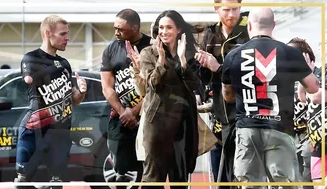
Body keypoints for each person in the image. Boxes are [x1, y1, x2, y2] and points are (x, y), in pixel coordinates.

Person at [220, 7, 319, 187]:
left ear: (249, 25)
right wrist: (305, 69)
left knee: (250, 184)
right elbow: (313, 87)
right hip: (280, 129)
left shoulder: (233, 55)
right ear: (273, 25)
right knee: (284, 184)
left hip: (247, 129)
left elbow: (227, 96)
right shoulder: (289, 53)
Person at [14, 15, 87, 189]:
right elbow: (29, 79)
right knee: (22, 182)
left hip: (60, 133)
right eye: (63, 34)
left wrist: (81, 92)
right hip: (35, 130)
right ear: (48, 34)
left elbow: (72, 100)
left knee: (56, 183)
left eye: (67, 34)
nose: (67, 38)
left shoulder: (64, 64)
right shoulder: (31, 58)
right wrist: (31, 78)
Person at [138, 10, 201, 188]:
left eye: (169, 27)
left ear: (179, 29)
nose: (164, 31)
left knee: (179, 180)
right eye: (161, 27)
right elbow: (153, 84)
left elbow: (195, 86)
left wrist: (182, 61)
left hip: (183, 126)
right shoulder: (148, 53)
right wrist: (162, 61)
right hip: (157, 126)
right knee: (153, 180)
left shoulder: (189, 53)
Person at [194, 0, 250, 185]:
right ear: (216, 9)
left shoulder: (249, 27)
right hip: (220, 114)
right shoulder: (211, 34)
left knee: (243, 175)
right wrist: (201, 65)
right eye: (226, 10)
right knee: (221, 176)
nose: (232, 14)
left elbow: (253, 71)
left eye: (235, 9)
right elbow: (204, 78)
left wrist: (218, 67)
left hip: (246, 112)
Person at [100, 8, 151, 185]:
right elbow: (107, 87)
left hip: (149, 115)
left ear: (135, 28)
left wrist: (136, 111)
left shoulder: (151, 46)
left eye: (120, 29)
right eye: (115, 28)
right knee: (122, 167)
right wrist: (124, 112)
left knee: (150, 168)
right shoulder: (111, 49)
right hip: (121, 118)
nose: (116, 32)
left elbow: (158, 86)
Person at [296, 38, 327, 189]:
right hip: (317, 144)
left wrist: (307, 76)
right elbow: (303, 98)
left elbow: (317, 96)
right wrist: (305, 75)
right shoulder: (316, 72)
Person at [287, 37, 317, 189]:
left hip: (309, 135)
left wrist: (305, 76)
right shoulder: (284, 77)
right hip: (290, 135)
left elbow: (310, 100)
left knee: (306, 178)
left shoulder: (316, 76)